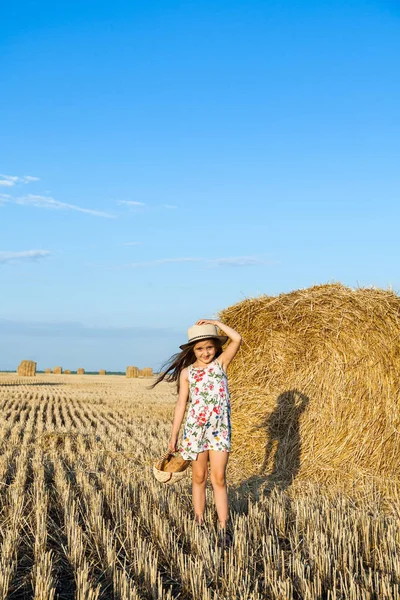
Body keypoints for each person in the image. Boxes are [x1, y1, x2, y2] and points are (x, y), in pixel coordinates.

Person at [153, 319, 241, 547]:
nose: (205, 352)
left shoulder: (221, 364)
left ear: (217, 347)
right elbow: (181, 404)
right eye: (200, 348)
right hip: (195, 431)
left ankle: (224, 528)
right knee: (199, 477)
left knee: (219, 478)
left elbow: (237, 338)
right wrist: (174, 436)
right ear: (193, 350)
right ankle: (199, 522)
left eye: (209, 347)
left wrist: (215, 322)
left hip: (219, 430)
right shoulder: (187, 373)